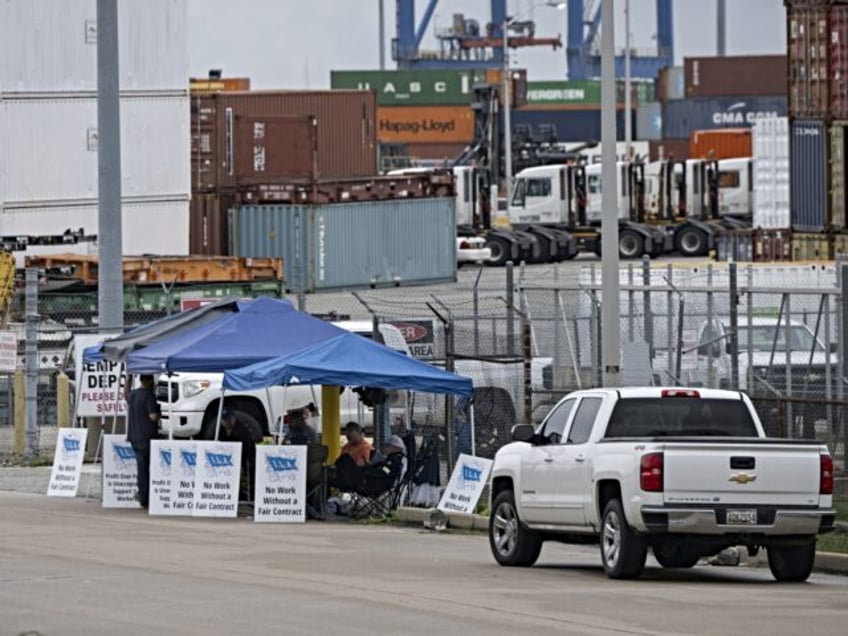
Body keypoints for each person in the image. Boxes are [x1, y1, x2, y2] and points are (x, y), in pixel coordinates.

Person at [125, 374, 161, 509]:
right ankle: (146, 496)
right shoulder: (149, 396)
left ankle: (142, 495)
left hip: (134, 437)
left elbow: (125, 395)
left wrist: (128, 380)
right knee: (148, 468)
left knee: (141, 468)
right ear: (150, 380)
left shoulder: (133, 395)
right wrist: (159, 414)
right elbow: (153, 417)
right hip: (147, 437)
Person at [218, 408, 257, 501]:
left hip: (241, 461)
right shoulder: (220, 431)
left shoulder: (242, 432)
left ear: (233, 418)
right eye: (224, 419)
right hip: (224, 460)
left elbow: (248, 451)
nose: (226, 422)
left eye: (228, 419)